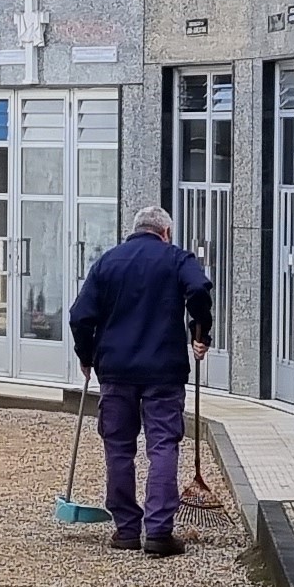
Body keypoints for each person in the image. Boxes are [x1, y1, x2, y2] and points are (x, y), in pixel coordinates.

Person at [68, 206, 213, 556]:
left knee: (118, 447)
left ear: (135, 230)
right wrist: (200, 331)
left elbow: (80, 315)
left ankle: (127, 530)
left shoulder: (108, 262)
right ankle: (159, 532)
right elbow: (198, 289)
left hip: (116, 370)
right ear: (165, 232)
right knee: (162, 444)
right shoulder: (176, 258)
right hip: (164, 369)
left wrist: (86, 356)